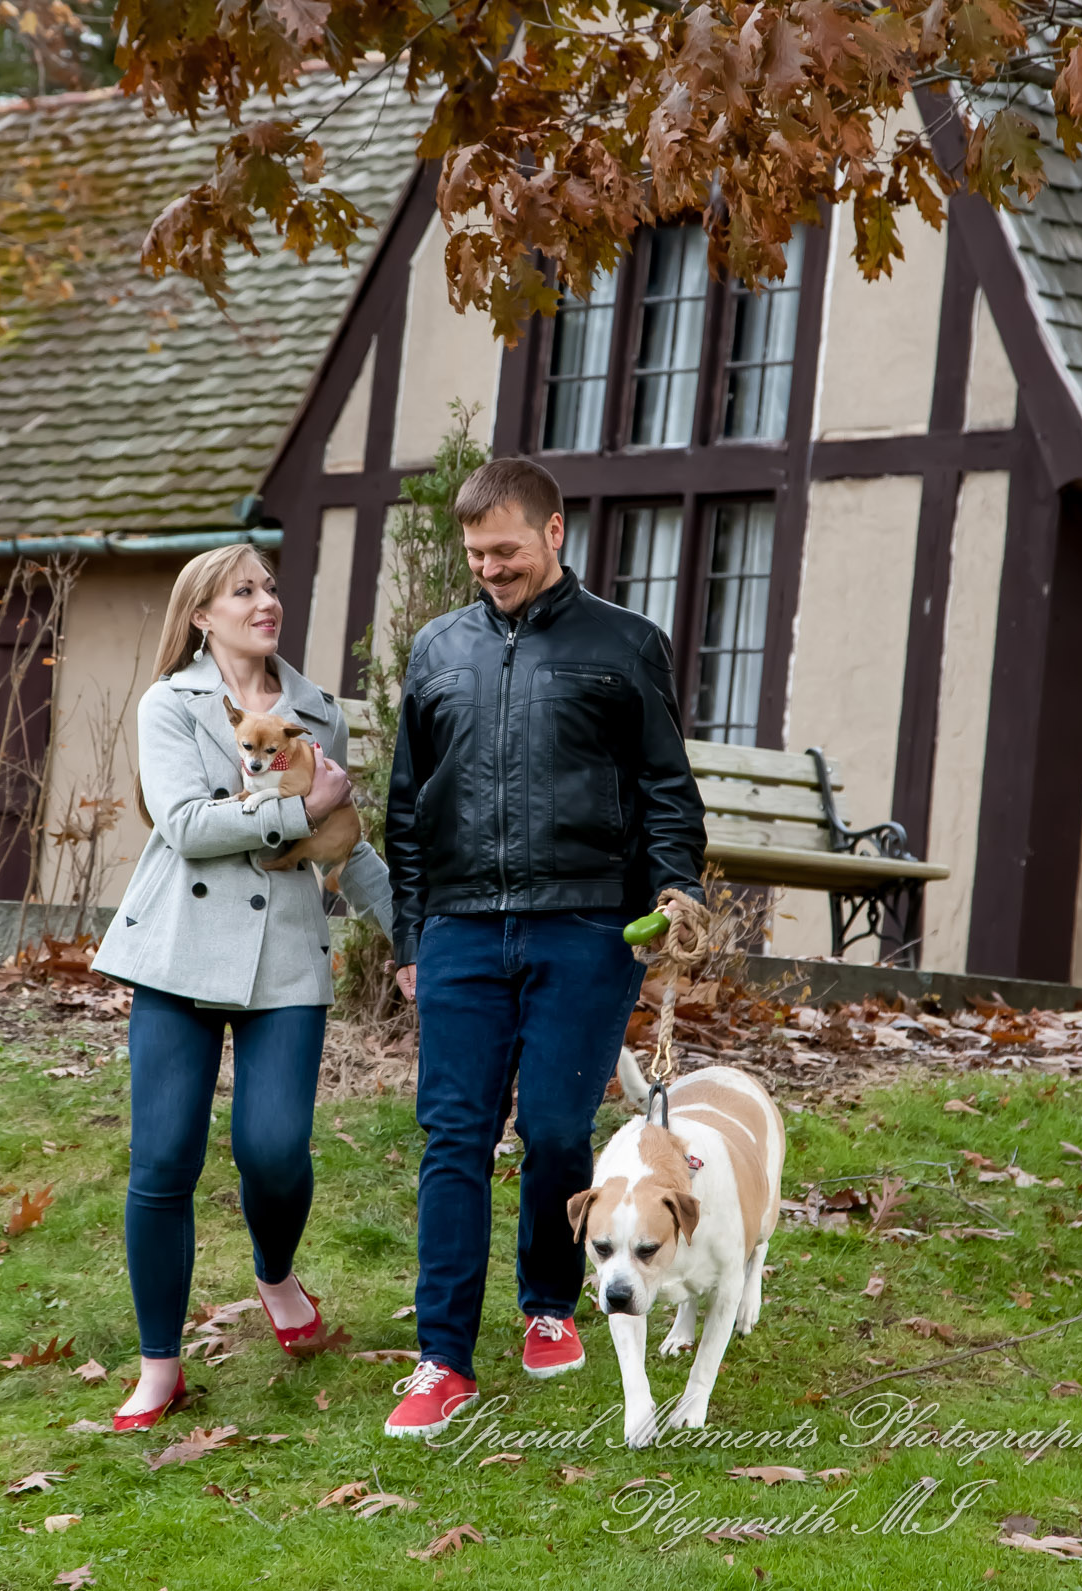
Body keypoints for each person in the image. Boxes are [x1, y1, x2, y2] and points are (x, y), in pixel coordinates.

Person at [381, 457, 707, 1439]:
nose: (490, 568)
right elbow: (407, 806)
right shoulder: (438, 650)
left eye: (507, 550)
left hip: (586, 926)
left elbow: (666, 788)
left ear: (554, 532)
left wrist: (677, 887)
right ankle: (443, 1357)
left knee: (560, 1132)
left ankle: (548, 1304)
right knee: (454, 1137)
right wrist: (411, 933)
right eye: (476, 554)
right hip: (460, 928)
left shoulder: (626, 644)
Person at [92, 544, 392, 1430]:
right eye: (244, 590)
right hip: (179, 951)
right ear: (202, 615)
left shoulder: (317, 711)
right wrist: (299, 808)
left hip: (286, 952)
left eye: (270, 587)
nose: (267, 601)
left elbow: (344, 837)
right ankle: (159, 1364)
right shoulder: (170, 703)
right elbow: (186, 825)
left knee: (274, 1149)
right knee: (163, 1162)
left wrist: (409, 932)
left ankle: (274, 1271)